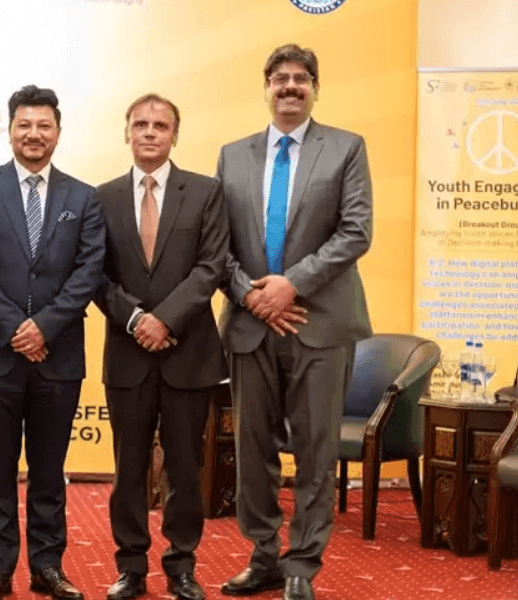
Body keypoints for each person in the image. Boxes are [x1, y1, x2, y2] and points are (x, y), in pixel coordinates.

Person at [216, 44, 372, 600]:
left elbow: (356, 232)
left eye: (300, 79)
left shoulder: (347, 148)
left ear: (314, 88)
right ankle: (262, 556)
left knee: (315, 449)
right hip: (251, 323)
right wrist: (249, 293)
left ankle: (302, 565)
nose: (289, 87)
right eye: (279, 78)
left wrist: (291, 284)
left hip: (320, 323)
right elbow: (218, 244)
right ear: (265, 87)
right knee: (253, 448)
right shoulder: (232, 156)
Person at [0, 85, 105, 600]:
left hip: (57, 355)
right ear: (10, 130)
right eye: (24, 124)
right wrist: (15, 328)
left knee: (48, 470)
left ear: (57, 132)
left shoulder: (83, 198)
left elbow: (89, 271)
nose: (33, 134)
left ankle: (47, 566)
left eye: (43, 125)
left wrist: (45, 327)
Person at [93, 94, 228, 600]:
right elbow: (95, 275)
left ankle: (182, 565)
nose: (150, 132)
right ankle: (130, 567)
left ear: (175, 134)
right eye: (141, 124)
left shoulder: (207, 192)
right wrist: (135, 320)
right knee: (127, 470)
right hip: (128, 356)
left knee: (185, 469)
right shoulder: (100, 197)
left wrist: (165, 320)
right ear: (126, 132)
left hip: (187, 354)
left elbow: (211, 266)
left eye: (161, 125)